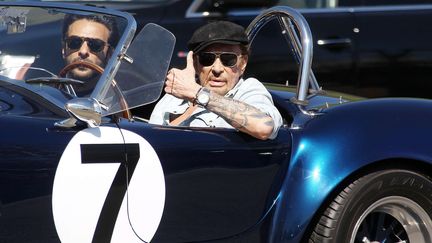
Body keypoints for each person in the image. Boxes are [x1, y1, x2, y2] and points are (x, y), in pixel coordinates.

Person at [149, 21, 282, 140]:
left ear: (243, 63)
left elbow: (264, 128)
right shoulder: (176, 96)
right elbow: (151, 138)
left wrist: (198, 94)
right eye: (207, 59)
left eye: (228, 59)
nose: (217, 69)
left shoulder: (248, 90)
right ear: (195, 63)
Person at [61, 14, 119, 96]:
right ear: (63, 49)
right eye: (74, 42)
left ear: (110, 54)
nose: (83, 51)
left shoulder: (122, 98)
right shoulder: (44, 93)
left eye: (96, 45)